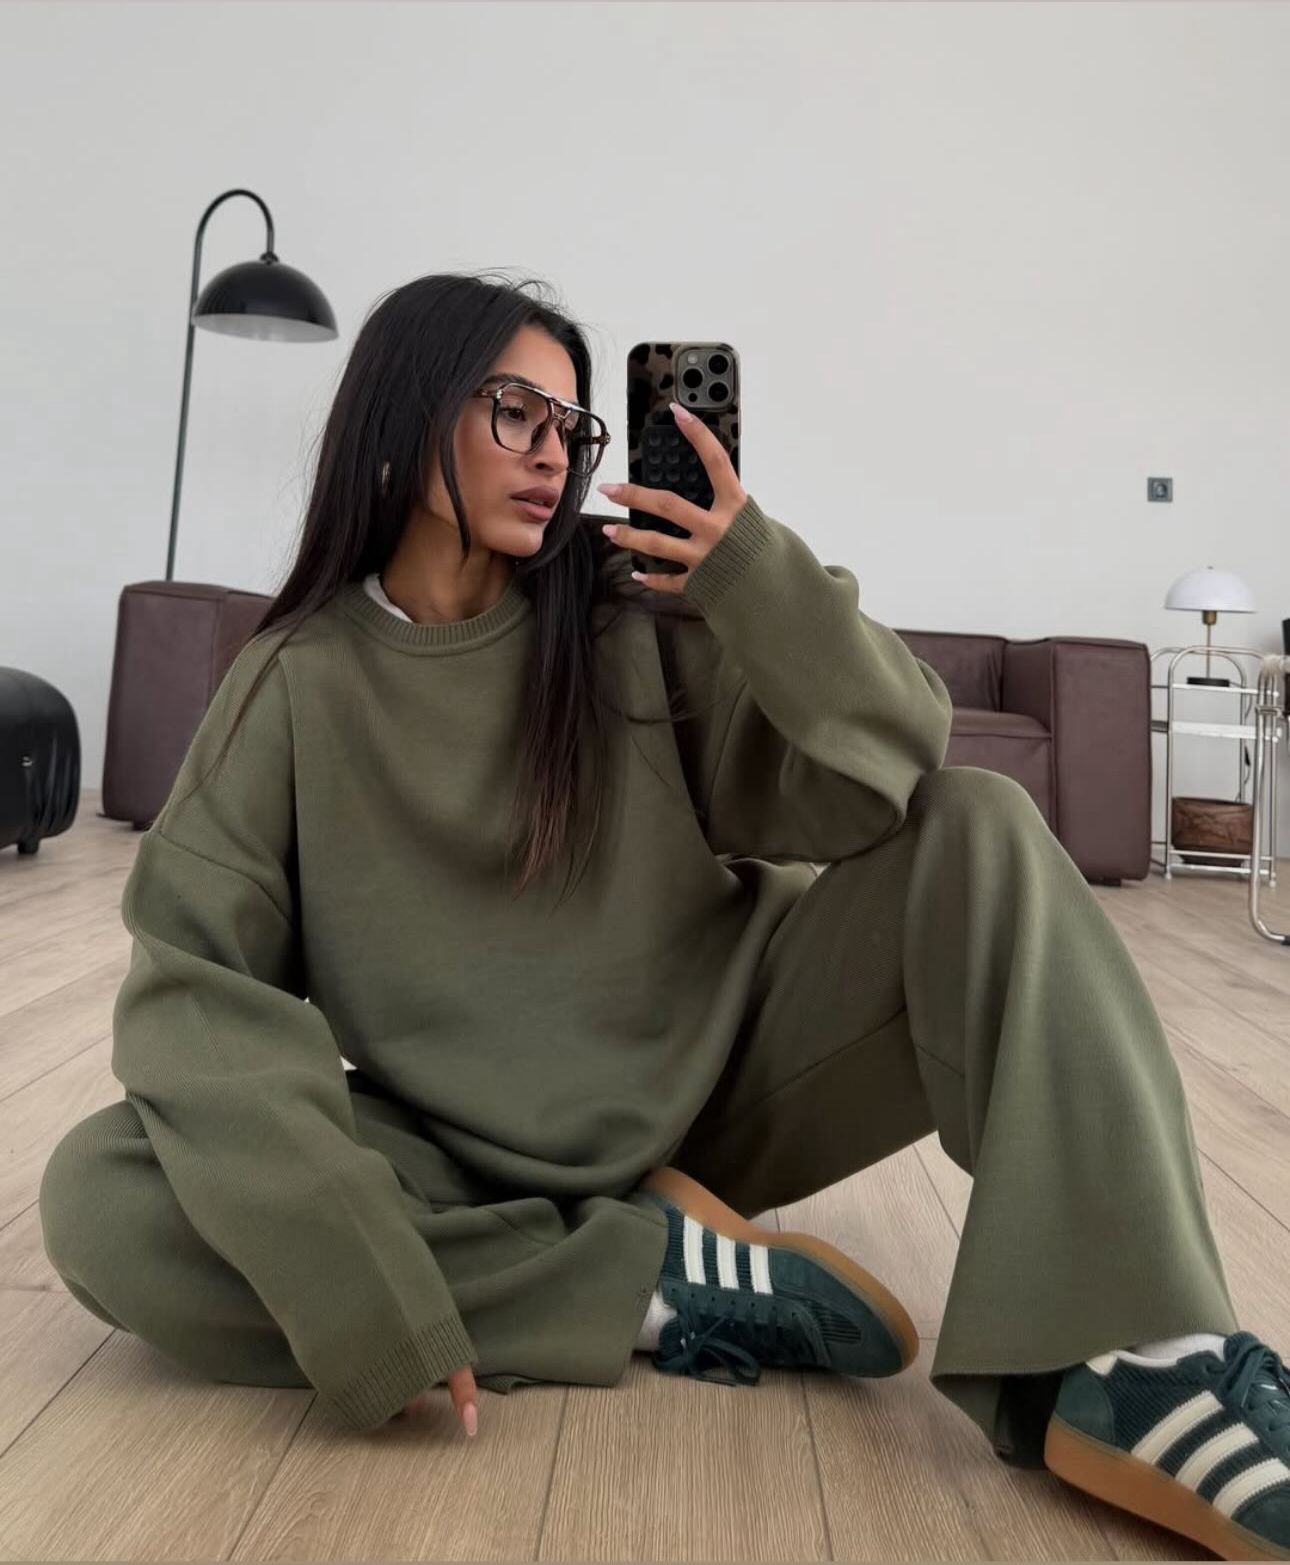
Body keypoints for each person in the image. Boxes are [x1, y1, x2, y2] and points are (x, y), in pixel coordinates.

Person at [39, 272, 1288, 1562]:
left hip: (721, 1093)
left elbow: (891, 763)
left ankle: (1144, 1358)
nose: (552, 455)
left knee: (980, 823)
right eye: (515, 412)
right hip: (460, 1147)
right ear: (405, 415)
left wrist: (750, 577)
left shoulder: (625, 617)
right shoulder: (289, 684)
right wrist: (354, 1283)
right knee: (105, 1195)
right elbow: (196, 985)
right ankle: (644, 1280)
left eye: (572, 429)